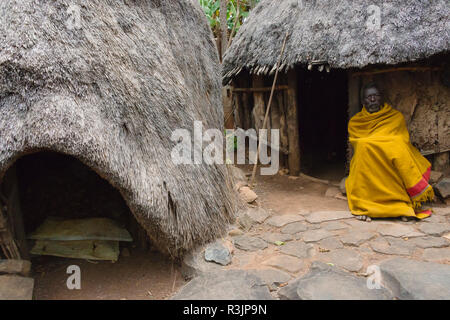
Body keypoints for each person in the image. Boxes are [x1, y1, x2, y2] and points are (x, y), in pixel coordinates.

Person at [345, 83, 434, 221]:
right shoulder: (356, 122)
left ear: (381, 98)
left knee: (396, 147)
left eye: (375, 96)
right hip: (369, 158)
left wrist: (381, 143)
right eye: (369, 97)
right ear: (363, 101)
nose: (373, 100)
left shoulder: (395, 117)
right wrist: (383, 143)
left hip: (390, 158)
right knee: (364, 147)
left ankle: (400, 203)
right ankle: (365, 203)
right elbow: (359, 142)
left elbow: (400, 140)